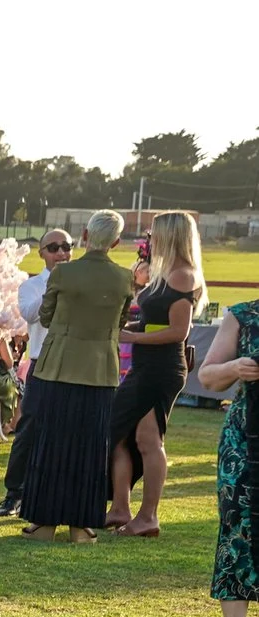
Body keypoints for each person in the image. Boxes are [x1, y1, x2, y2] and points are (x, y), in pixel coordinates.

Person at [18, 209, 134, 544]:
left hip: (59, 366)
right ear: (116, 242)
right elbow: (120, 322)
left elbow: (46, 315)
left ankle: (43, 523)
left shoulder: (64, 274)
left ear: (84, 235)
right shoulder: (125, 278)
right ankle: (82, 526)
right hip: (100, 371)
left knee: (50, 443)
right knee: (91, 447)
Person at [107, 211, 204, 535]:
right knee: (121, 433)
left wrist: (133, 337)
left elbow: (178, 331)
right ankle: (120, 508)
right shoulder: (165, 273)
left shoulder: (183, 276)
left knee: (148, 440)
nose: (149, 237)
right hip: (147, 365)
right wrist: (125, 327)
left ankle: (147, 517)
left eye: (154, 232)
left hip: (161, 368)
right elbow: (154, 322)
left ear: (171, 234)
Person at [197, 297, 259, 617]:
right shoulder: (243, 316)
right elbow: (207, 376)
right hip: (245, 439)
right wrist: (236, 366)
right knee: (237, 523)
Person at [0, 229, 71, 515]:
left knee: (67, 430)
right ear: (42, 253)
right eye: (53, 247)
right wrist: (55, 286)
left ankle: (57, 494)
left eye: (66, 246)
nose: (61, 253)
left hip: (75, 363)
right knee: (29, 427)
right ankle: (15, 491)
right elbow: (29, 314)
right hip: (42, 362)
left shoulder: (79, 282)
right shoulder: (32, 286)